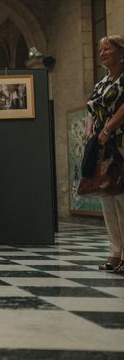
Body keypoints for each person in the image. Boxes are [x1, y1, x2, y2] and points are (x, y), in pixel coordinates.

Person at [86, 34, 124, 273]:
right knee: (108, 198)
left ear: (121, 52)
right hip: (103, 145)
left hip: (119, 141)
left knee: (122, 199)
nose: (102, 54)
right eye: (100, 50)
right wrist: (91, 130)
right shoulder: (102, 82)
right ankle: (115, 253)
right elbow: (91, 106)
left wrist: (108, 129)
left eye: (107, 50)